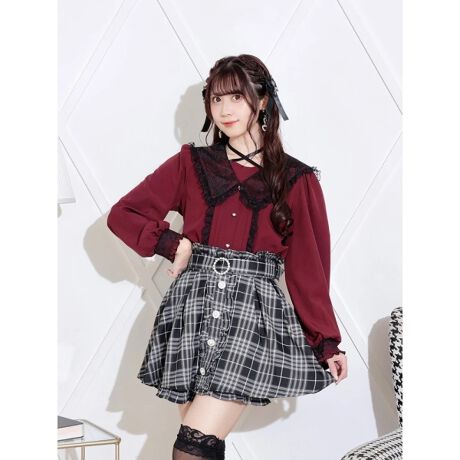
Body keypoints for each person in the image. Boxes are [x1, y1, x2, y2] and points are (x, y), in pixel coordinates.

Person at [107, 54, 348, 460]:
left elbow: (309, 268)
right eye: (216, 99)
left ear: (263, 101)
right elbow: (123, 214)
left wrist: (326, 342)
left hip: (250, 317)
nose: (225, 110)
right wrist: (174, 244)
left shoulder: (296, 179)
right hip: (191, 310)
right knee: (202, 445)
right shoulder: (192, 164)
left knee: (192, 447)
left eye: (237, 97)